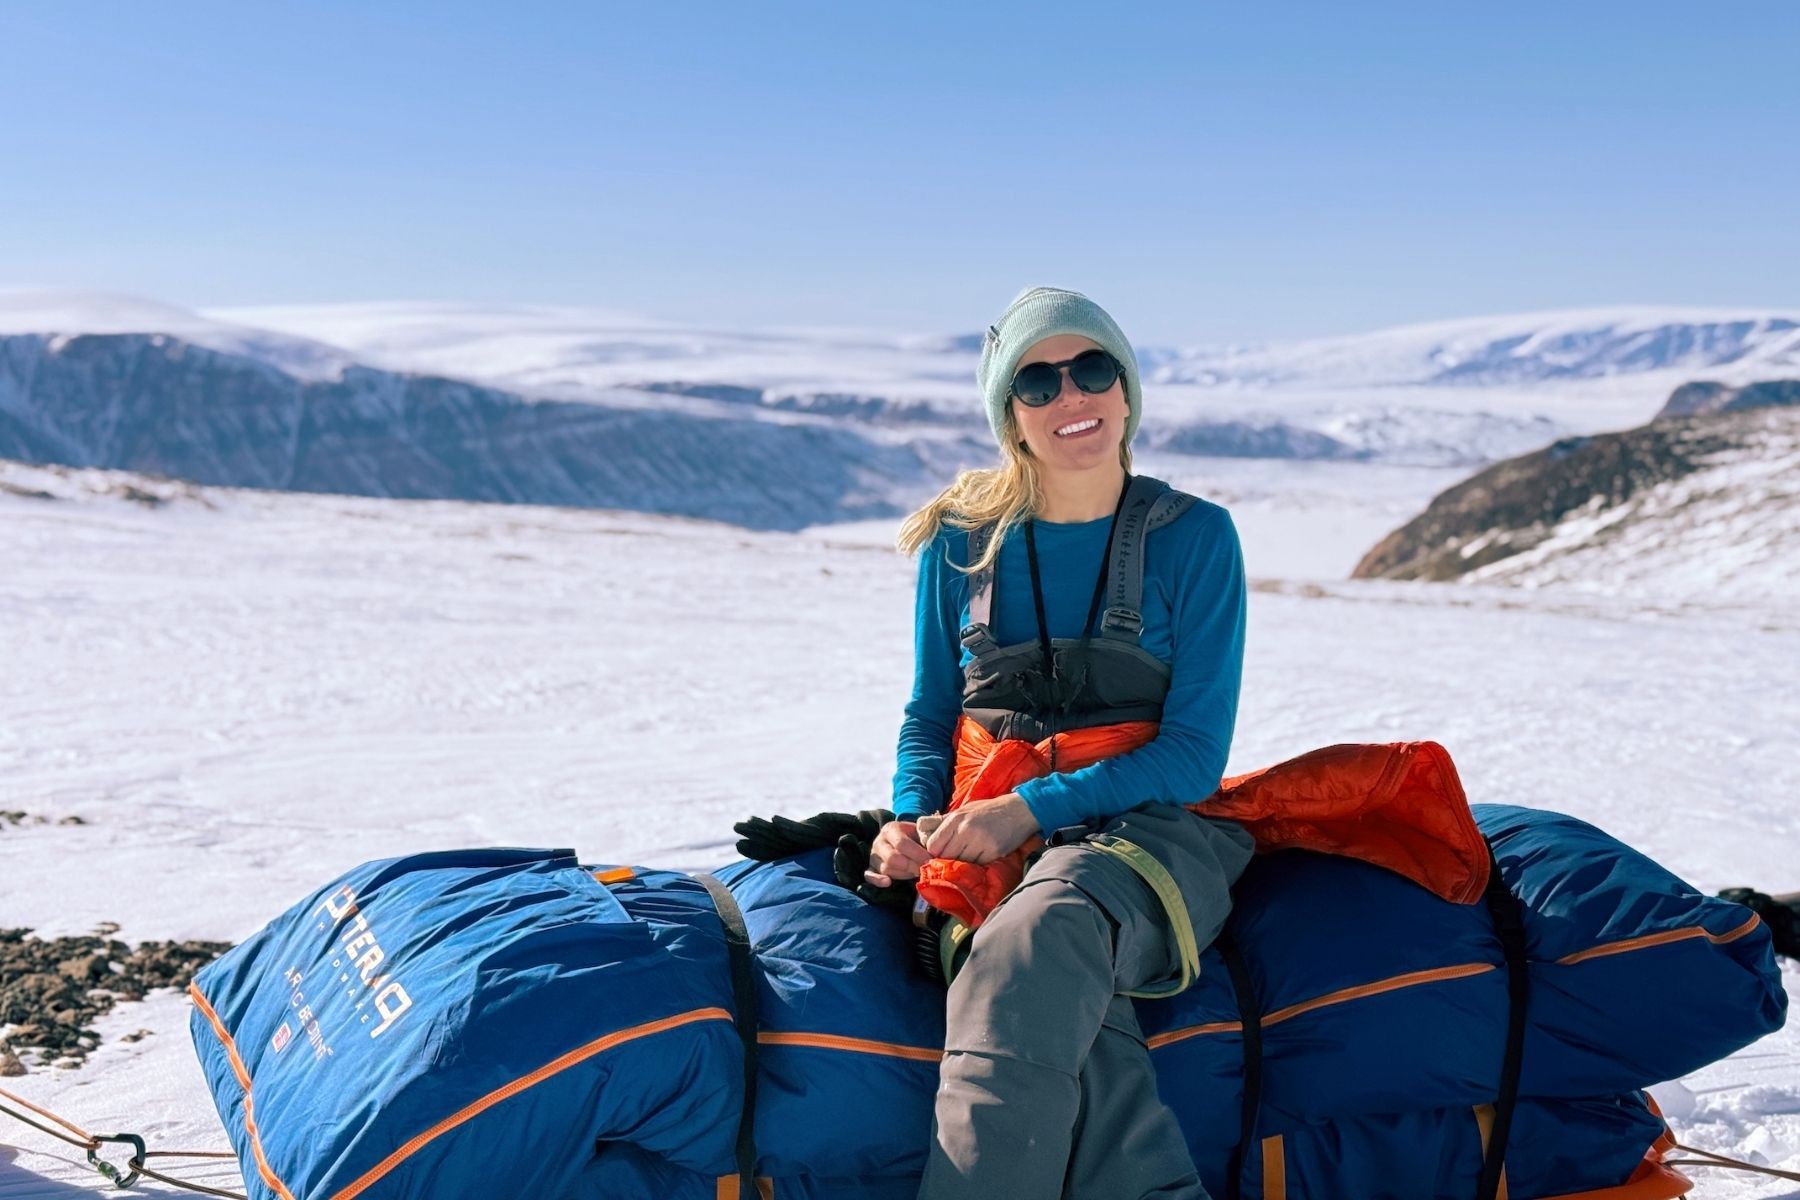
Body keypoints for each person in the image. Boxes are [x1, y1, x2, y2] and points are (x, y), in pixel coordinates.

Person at [871, 286, 1256, 1200]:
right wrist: (911, 823)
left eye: (1092, 370)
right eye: (1037, 383)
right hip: (989, 822)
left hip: (1150, 828)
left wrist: (1024, 811)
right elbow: (932, 715)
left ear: (1126, 393)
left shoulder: (1195, 538)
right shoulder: (961, 543)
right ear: (1009, 414)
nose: (1069, 397)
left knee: (1043, 932)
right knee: (1077, 1027)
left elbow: (1192, 754)